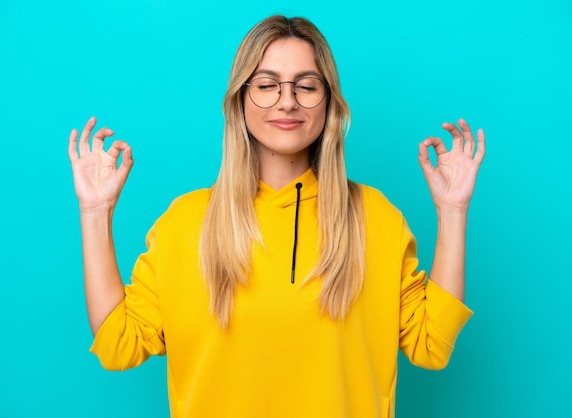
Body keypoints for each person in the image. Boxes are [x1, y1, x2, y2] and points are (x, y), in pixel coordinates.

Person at [68, 15, 485, 418]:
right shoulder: (184, 222)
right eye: (267, 85)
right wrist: (95, 212)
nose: (287, 101)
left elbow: (432, 343)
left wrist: (452, 211)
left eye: (306, 86)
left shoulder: (374, 217)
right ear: (240, 99)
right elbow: (118, 344)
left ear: (330, 104)